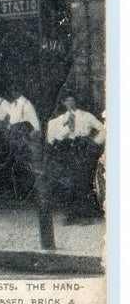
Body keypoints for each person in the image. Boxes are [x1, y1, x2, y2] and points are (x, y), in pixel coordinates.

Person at [46, 95, 105, 224]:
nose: (70, 103)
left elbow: (103, 129)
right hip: (67, 149)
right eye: (67, 100)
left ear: (76, 101)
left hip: (82, 149)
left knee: (83, 181)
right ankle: (71, 215)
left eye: (72, 100)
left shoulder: (86, 116)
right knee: (68, 182)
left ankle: (86, 216)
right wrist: (67, 128)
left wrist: (94, 143)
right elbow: (53, 138)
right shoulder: (59, 120)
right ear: (63, 103)